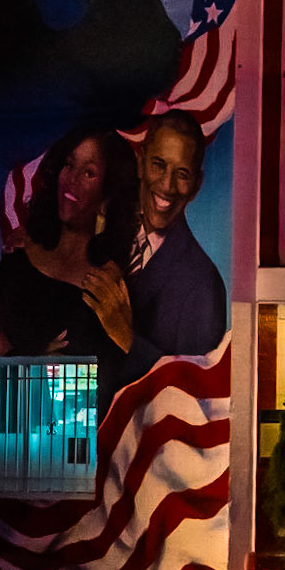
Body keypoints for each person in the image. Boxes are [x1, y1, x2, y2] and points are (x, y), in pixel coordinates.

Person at [0, 127, 137, 414]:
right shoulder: (20, 255)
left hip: (56, 448)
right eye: (69, 165)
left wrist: (8, 350)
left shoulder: (104, 286)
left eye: (88, 173)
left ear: (108, 197)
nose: (72, 179)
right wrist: (28, 358)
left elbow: (82, 396)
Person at [80, 111, 229, 392]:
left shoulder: (204, 286)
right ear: (141, 163)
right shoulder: (105, 230)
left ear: (197, 185)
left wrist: (128, 338)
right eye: (159, 165)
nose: (167, 185)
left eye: (182, 173)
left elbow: (194, 394)